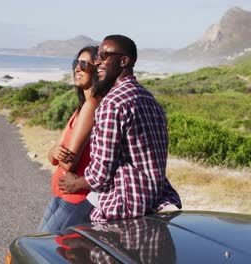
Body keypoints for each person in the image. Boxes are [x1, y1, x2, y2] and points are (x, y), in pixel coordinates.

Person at [59, 35, 181, 222]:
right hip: (153, 202)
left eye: (104, 56)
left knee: (60, 244)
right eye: (98, 55)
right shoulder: (149, 99)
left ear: (124, 61)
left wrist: (76, 183)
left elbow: (100, 175)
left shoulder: (112, 103)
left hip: (122, 206)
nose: (97, 62)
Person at [38, 45, 101, 233]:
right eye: (76, 63)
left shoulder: (93, 105)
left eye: (84, 64)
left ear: (98, 70)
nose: (77, 68)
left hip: (76, 197)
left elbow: (67, 163)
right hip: (61, 195)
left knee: (42, 252)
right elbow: (52, 156)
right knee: (40, 246)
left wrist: (57, 154)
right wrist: (53, 152)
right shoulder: (80, 109)